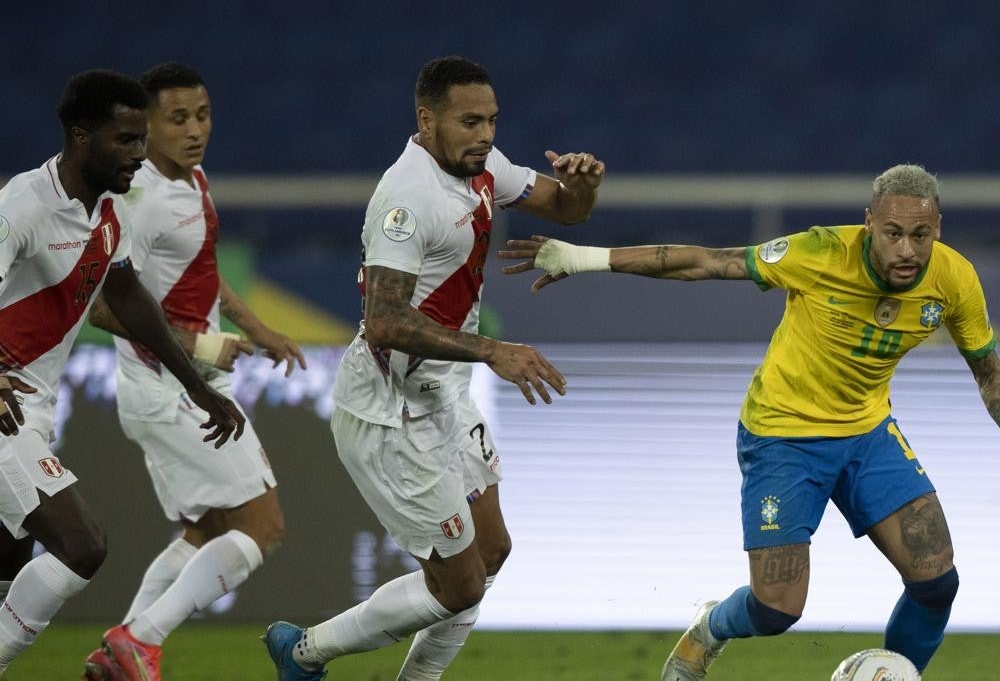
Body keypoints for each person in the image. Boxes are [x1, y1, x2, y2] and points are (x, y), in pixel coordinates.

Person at [499, 164, 1000, 678]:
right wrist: (582, 258)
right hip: (782, 435)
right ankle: (710, 625)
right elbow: (706, 261)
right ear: (869, 226)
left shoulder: (954, 279)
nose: (907, 249)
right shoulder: (819, 252)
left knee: (937, 579)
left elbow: (989, 369)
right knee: (776, 608)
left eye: (921, 235)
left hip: (867, 434)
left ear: (938, 229)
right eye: (893, 233)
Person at [263, 55, 604, 680]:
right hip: (389, 412)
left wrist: (583, 183)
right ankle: (304, 651)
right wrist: (495, 351)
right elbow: (387, 319)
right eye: (470, 121)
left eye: (493, 121)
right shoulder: (406, 198)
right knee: (458, 583)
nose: (486, 135)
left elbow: (566, 208)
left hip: (444, 396)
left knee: (492, 552)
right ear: (428, 119)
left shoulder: (483, 167)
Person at [0, 69, 245, 675]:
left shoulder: (111, 211)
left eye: (141, 139)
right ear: (82, 138)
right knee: (81, 545)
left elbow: (131, 296)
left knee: (8, 570)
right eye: (125, 140)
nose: (139, 153)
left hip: (34, 407)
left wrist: (196, 384)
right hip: (2, 403)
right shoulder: (22, 207)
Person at [78, 62, 307, 681]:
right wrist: (204, 349)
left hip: (182, 387)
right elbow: (100, 303)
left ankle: (116, 655)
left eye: (202, 115)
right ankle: (142, 640)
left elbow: (203, 271)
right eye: (177, 118)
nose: (194, 129)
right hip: (171, 386)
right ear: (146, 126)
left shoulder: (193, 179)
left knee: (206, 530)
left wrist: (258, 330)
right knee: (263, 527)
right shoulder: (140, 200)